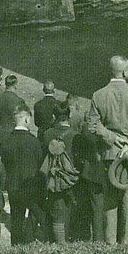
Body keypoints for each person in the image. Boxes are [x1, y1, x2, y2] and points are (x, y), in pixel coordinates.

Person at [84, 56, 128, 246]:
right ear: (125, 72)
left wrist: (112, 138)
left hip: (109, 154)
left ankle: (110, 243)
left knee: (110, 200)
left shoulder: (99, 95)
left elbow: (93, 125)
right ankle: (127, 244)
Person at [0, 107, 47, 244]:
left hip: (13, 185)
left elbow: (4, 162)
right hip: (31, 185)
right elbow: (39, 161)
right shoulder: (33, 141)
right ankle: (34, 239)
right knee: (38, 214)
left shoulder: (7, 140)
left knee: (16, 218)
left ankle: (17, 245)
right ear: (26, 119)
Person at [40, 101, 79, 244]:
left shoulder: (47, 134)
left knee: (56, 210)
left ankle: (56, 241)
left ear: (54, 116)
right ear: (69, 116)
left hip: (53, 177)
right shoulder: (75, 135)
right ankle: (66, 240)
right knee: (69, 209)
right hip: (71, 178)